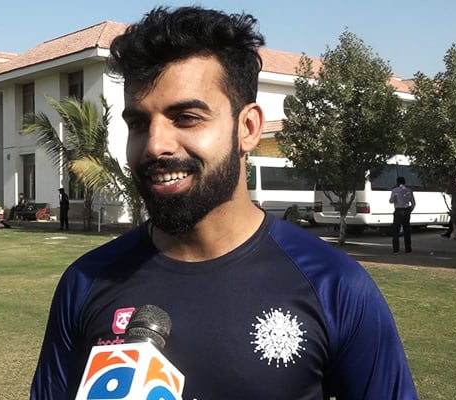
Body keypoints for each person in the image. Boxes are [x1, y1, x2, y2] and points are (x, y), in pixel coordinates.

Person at [30, 6, 418, 399]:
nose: (155, 145)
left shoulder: (335, 286)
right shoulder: (86, 283)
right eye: (139, 123)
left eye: (186, 118)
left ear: (247, 128)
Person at [389, 176, 416, 253]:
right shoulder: (409, 190)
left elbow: (391, 201)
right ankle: (408, 248)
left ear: (397, 182)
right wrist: (410, 210)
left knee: (396, 230)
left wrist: (394, 199)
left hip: (398, 210)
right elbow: (413, 202)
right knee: (406, 230)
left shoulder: (395, 190)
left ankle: (396, 249)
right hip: (406, 210)